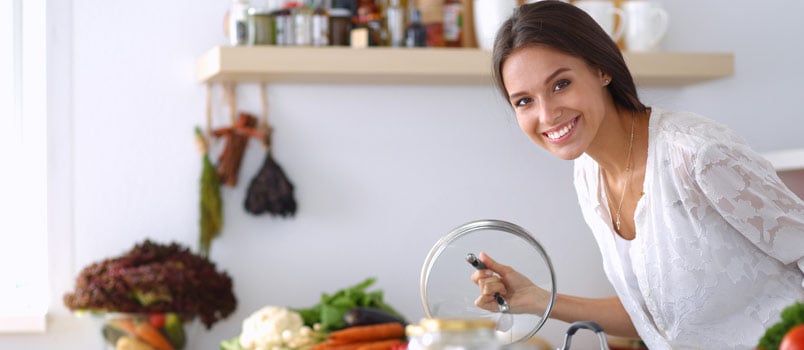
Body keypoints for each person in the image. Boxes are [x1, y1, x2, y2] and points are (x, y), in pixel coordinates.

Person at [470, 1, 804, 349]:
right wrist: (537, 299)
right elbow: (656, 319)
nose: (547, 114)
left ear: (601, 69)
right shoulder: (588, 175)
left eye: (561, 84)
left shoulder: (696, 154)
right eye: (524, 101)